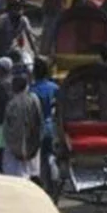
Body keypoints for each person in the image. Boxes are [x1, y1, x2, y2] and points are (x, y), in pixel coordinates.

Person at [2, 72, 43, 179]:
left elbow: (6, 127)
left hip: (15, 148)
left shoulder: (12, 103)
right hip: (30, 146)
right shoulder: (33, 99)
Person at [31, 56, 60, 190]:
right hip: (52, 127)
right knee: (51, 156)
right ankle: (53, 181)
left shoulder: (31, 90)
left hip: (37, 129)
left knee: (40, 159)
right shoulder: (54, 88)